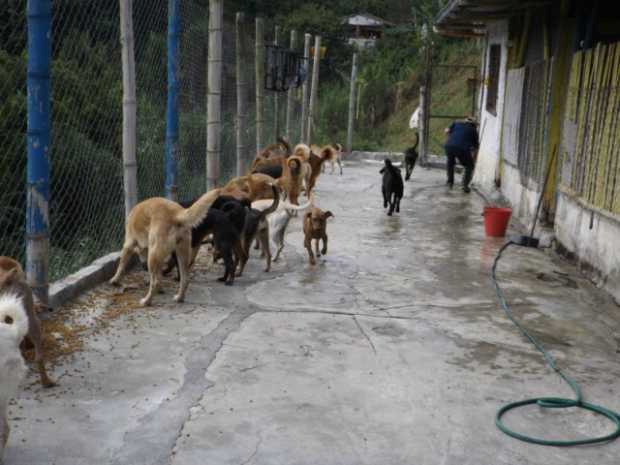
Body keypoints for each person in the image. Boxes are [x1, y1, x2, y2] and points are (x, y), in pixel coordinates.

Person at [444, 116, 479, 193]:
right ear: (474, 124)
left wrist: (452, 138)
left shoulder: (456, 123)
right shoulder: (473, 130)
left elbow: (446, 131)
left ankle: (450, 182)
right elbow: (475, 147)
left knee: (450, 163)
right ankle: (464, 185)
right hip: (462, 148)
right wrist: (474, 159)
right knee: (469, 166)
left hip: (449, 146)